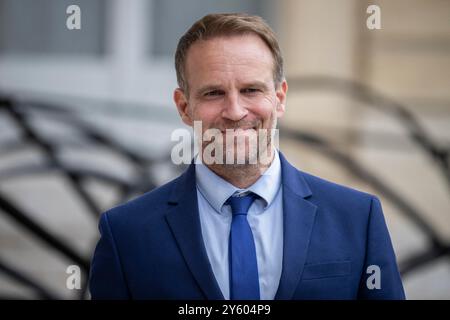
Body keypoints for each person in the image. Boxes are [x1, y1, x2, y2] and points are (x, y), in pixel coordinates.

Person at [89, 13, 405, 300]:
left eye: (251, 90)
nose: (236, 111)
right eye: (214, 93)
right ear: (184, 107)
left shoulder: (357, 219)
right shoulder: (126, 234)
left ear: (279, 98)